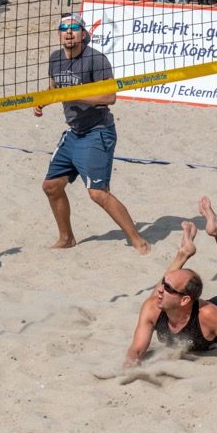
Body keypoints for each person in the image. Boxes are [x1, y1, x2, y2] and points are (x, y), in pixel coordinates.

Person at [34, 14, 150, 255]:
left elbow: (110, 97)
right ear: (59, 34)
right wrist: (43, 101)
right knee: (51, 186)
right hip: (74, 132)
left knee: (98, 193)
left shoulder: (96, 60)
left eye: (74, 28)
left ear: (83, 33)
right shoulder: (55, 59)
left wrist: (75, 95)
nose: (69, 32)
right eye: (64, 28)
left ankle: (139, 241)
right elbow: (54, 88)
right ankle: (67, 239)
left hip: (98, 132)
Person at [125, 197, 217, 367]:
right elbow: (136, 350)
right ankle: (183, 254)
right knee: (155, 299)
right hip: (188, 305)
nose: (160, 289)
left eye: (168, 288)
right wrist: (129, 368)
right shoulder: (152, 308)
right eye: (163, 283)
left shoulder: (209, 316)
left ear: (184, 300)